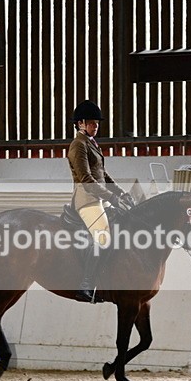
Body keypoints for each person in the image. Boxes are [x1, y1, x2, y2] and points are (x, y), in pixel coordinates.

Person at [66, 100, 134, 303]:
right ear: (80, 123)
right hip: (87, 200)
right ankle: (86, 285)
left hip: (100, 199)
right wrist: (112, 197)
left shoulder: (91, 143)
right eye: (91, 123)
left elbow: (103, 174)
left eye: (97, 123)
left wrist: (121, 193)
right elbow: (86, 179)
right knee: (103, 238)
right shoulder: (78, 145)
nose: (95, 126)